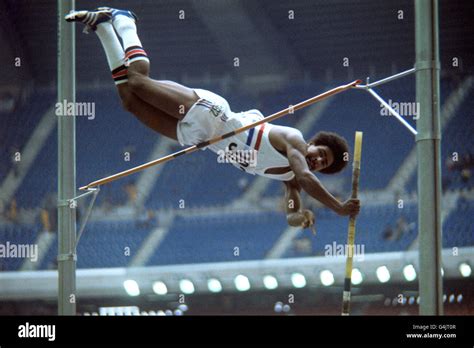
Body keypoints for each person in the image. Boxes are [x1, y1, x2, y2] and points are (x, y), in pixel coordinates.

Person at [65, 7, 360, 229]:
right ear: (314, 143)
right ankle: (124, 21)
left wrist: (300, 217)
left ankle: (103, 26)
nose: (317, 162)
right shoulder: (294, 141)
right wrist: (338, 207)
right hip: (209, 114)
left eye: (323, 165)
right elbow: (306, 178)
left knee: (129, 101)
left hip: (199, 139)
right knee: (138, 82)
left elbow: (292, 208)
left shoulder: (291, 177)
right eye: (321, 154)